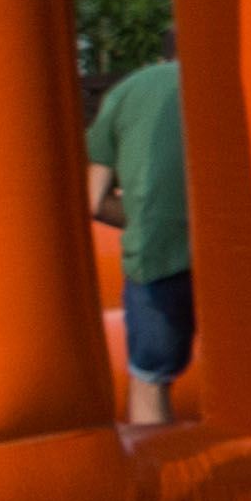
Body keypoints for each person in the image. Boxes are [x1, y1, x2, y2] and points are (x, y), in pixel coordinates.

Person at [84, 48, 190, 414]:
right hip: (243, 253)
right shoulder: (239, 78)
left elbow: (94, 200)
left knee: (149, 379)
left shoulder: (128, 91)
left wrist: (155, 218)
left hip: (156, 254)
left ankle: (155, 468)